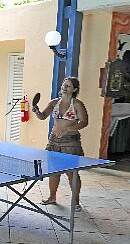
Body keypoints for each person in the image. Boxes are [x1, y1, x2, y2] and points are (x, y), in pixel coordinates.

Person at [32, 77, 88, 211]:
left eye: (68, 86)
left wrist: (68, 129)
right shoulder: (54, 102)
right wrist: (36, 111)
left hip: (71, 143)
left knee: (72, 173)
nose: (64, 87)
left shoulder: (77, 104)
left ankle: (76, 202)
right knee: (53, 172)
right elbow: (42, 116)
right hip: (54, 141)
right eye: (64, 85)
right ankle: (52, 197)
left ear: (74, 89)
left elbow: (84, 122)